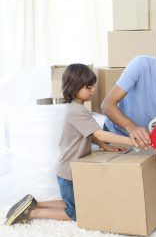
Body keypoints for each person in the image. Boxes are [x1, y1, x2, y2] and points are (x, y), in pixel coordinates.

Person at [5, 64, 136, 225]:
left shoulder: (77, 108)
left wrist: (105, 147)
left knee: (74, 203)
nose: (93, 90)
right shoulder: (77, 111)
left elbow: (90, 133)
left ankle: (35, 203)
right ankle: (33, 212)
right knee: (75, 213)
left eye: (92, 86)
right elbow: (99, 133)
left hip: (69, 169)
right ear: (74, 89)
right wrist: (132, 140)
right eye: (88, 87)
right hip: (68, 172)